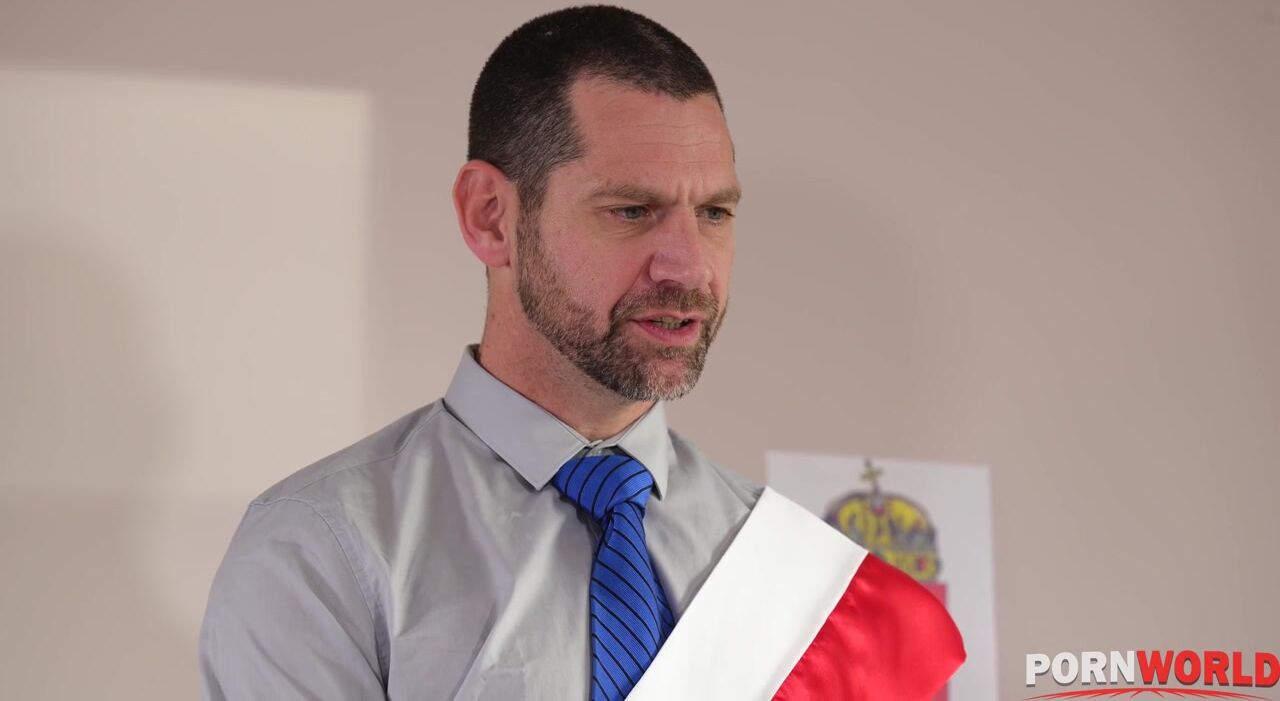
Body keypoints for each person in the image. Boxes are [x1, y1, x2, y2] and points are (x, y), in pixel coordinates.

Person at [198, 6, 963, 701]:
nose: (690, 267)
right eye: (631, 210)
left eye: (714, 212)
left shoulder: (817, 591)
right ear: (490, 216)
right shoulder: (321, 553)